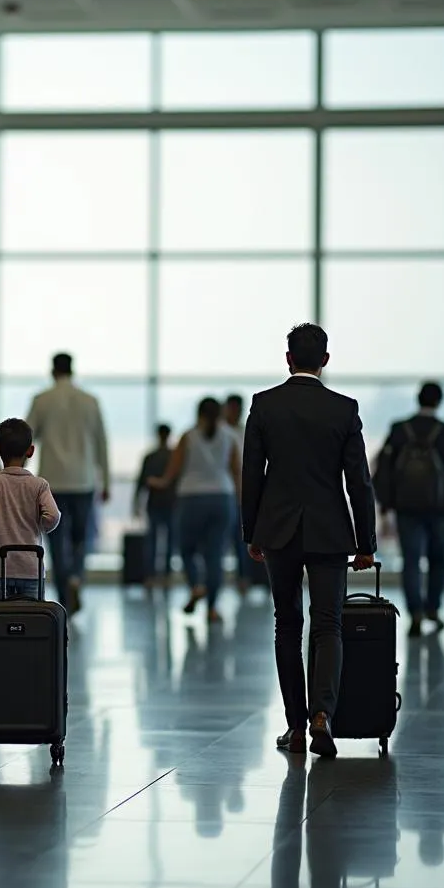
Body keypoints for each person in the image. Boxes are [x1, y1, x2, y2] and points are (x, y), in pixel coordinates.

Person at [242, 323, 376, 759]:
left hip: (278, 530)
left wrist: (252, 533)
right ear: (325, 360)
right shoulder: (343, 409)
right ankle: (323, 714)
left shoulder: (264, 406)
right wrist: (366, 542)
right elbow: (359, 482)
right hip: (330, 531)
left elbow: (251, 477)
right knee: (328, 625)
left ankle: (295, 727)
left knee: (287, 624)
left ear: (287, 359)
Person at [376, 381, 444, 637]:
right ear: (439, 401)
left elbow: (384, 468)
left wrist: (385, 503)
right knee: (438, 560)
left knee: (411, 560)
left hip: (407, 506)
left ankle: (415, 613)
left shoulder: (399, 429)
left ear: (418, 399)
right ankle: (434, 609)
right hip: (441, 507)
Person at [27, 353, 110, 615]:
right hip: (83, 480)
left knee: (56, 540)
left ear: (52, 371)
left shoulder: (42, 400)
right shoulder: (90, 401)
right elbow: (101, 444)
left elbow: (27, 438)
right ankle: (76, 576)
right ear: (72, 371)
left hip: (51, 482)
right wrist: (105, 480)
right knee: (81, 538)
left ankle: (65, 593)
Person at [151, 398, 241, 623]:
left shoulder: (188, 436)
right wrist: (240, 500)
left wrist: (161, 482)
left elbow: (173, 470)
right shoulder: (230, 436)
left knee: (187, 549)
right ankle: (212, 609)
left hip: (191, 499)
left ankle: (196, 585)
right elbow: (236, 472)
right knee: (215, 554)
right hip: (222, 498)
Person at [0, 418, 61, 600]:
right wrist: (41, 525)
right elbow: (52, 516)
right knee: (31, 622)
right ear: (31, 451)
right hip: (31, 568)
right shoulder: (39, 485)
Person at [133, 424, 176, 587]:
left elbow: (141, 482)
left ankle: (150, 577)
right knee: (170, 542)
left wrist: (136, 503)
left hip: (155, 503)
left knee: (152, 541)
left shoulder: (150, 457)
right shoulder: (174, 456)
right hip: (172, 502)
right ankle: (166, 576)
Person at [223, 393, 250, 594]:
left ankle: (243, 578)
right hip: (224, 493)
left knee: (242, 541)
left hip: (241, 494)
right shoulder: (220, 432)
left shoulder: (244, 431)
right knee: (220, 540)